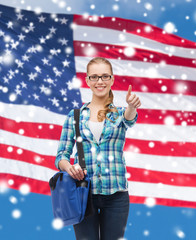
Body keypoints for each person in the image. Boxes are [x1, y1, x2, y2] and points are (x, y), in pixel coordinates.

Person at [55, 57, 141, 240]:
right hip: (83, 195)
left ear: (112, 79)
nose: (99, 81)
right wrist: (69, 167)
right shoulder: (75, 116)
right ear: (87, 80)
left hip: (116, 195)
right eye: (94, 77)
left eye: (104, 76)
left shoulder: (119, 113)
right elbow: (61, 155)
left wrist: (131, 106)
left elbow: (129, 119)